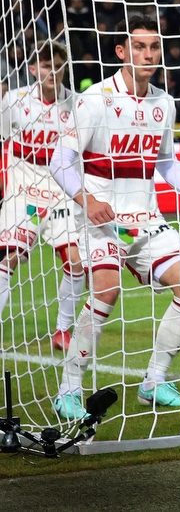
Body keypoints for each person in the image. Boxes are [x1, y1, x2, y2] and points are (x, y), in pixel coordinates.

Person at [48, 14, 180, 420]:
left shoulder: (164, 103)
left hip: (146, 217)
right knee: (106, 289)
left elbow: (168, 164)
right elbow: (60, 161)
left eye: (154, 47)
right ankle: (68, 389)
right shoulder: (94, 99)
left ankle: (154, 381)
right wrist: (86, 199)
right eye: (138, 46)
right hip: (99, 218)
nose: (147, 54)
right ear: (121, 51)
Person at [0, 41, 85, 350]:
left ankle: (63, 330)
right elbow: (3, 139)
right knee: (9, 259)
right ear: (34, 69)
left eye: (59, 65)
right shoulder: (14, 100)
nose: (54, 71)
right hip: (23, 190)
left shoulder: (76, 105)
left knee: (77, 263)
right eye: (47, 65)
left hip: (61, 193)